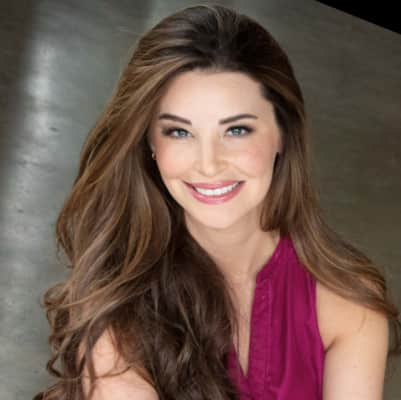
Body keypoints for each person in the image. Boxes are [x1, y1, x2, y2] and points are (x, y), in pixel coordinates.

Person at [34, 4, 401, 400]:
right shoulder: (119, 302)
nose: (209, 164)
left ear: (283, 134)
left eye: (237, 129)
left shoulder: (348, 302)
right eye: (179, 132)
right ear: (149, 143)